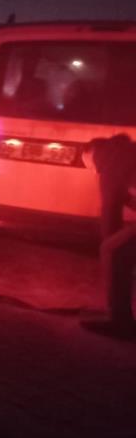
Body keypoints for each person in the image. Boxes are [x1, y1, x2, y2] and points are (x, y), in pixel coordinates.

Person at [82, 134, 136, 339]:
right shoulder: (126, 152)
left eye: (88, 166)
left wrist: (108, 244)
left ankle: (119, 321)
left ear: (91, 153)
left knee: (113, 249)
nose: (93, 172)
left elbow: (109, 210)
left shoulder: (108, 159)